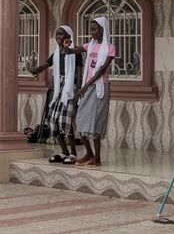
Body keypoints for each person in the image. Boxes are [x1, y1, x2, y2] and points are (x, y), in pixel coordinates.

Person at [29, 25, 83, 165]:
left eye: (61, 34)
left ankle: (72, 153)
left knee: (66, 122)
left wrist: (79, 90)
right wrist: (36, 70)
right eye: (57, 34)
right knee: (53, 120)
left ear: (68, 36)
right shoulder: (56, 54)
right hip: (58, 89)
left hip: (70, 89)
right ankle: (64, 152)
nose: (58, 37)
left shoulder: (75, 52)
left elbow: (79, 72)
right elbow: (46, 64)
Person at [69, 17, 114, 167]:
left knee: (95, 122)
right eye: (91, 29)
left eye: (94, 29)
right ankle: (89, 153)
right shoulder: (90, 45)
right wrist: (65, 46)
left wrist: (85, 87)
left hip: (99, 87)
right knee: (80, 120)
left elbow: (101, 70)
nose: (91, 32)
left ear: (102, 30)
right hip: (87, 87)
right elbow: (74, 50)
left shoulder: (110, 48)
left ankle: (98, 158)